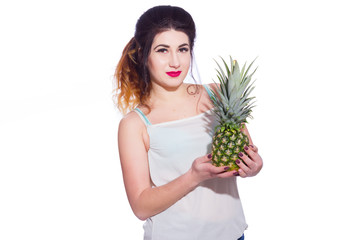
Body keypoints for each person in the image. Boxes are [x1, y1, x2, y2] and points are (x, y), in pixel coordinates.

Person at [114, 5, 263, 240]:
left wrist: (253, 166)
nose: (175, 61)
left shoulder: (218, 95)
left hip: (232, 234)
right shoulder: (135, 124)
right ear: (144, 54)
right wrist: (194, 176)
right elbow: (141, 207)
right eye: (162, 50)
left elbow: (244, 158)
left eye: (182, 49)